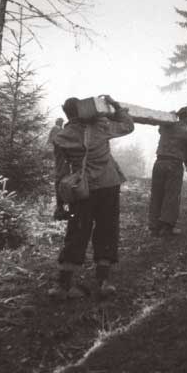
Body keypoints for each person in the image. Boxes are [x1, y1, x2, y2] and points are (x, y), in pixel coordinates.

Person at [50, 95, 134, 299]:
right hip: (108, 185)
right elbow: (128, 126)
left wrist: (60, 204)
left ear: (66, 112)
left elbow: (60, 174)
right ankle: (103, 282)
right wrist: (116, 105)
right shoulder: (101, 127)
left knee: (76, 232)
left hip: (81, 190)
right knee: (107, 229)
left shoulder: (61, 137)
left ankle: (63, 286)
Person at [148, 106, 187, 237]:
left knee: (157, 194)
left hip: (158, 163)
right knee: (171, 195)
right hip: (174, 165)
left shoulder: (165, 127)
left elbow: (160, 128)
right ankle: (167, 227)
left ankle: (154, 227)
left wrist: (169, 116)